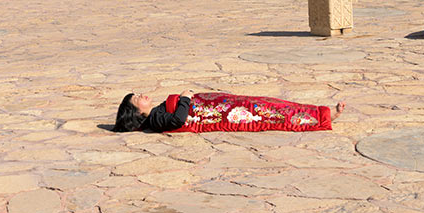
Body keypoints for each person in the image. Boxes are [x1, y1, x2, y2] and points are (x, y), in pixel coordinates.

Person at [114, 91, 345, 133]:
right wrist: (185, 97)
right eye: (136, 99)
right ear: (136, 112)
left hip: (218, 105)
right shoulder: (155, 118)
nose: (142, 95)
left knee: (268, 105)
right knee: (271, 113)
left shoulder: (155, 113)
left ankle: (320, 113)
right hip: (222, 113)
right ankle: (322, 116)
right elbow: (178, 120)